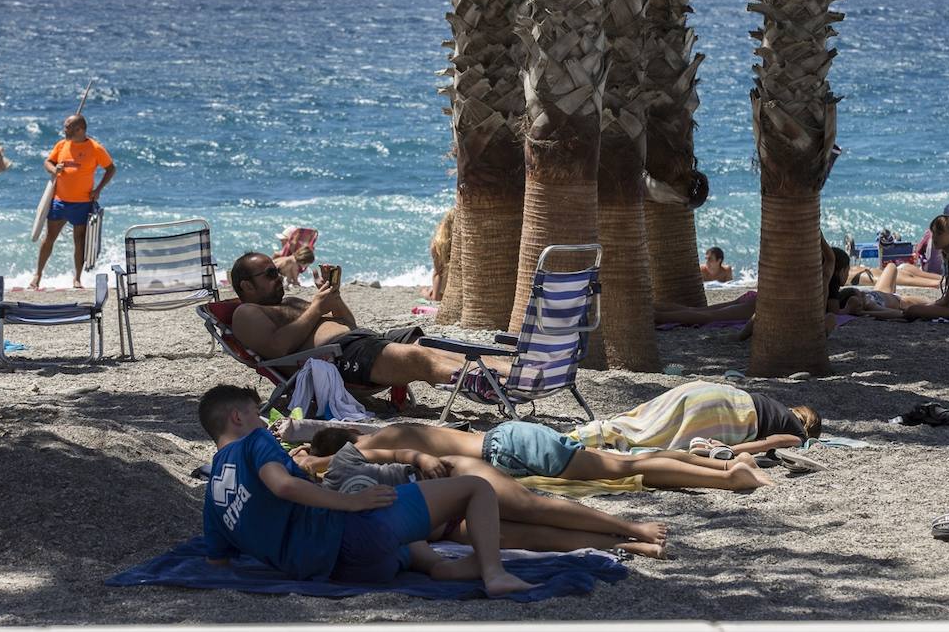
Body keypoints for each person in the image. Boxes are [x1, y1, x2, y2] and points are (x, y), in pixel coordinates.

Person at [197, 384, 534, 593]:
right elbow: (283, 486)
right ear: (237, 418)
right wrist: (349, 502)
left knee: (408, 539)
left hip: (348, 572)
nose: (264, 424)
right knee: (475, 488)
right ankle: (494, 574)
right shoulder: (253, 442)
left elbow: (218, 566)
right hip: (352, 534)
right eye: (257, 414)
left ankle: (440, 567)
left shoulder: (213, 497)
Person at [295, 427, 668, 559]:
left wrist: (423, 457)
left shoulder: (343, 460)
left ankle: (631, 525)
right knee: (530, 538)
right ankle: (625, 545)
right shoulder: (322, 512)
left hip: (453, 477)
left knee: (533, 507)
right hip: (436, 524)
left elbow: (395, 453)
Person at [228, 252, 485, 389]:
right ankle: (490, 383)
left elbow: (349, 323)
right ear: (247, 286)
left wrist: (334, 299)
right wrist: (317, 307)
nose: (280, 277)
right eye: (271, 273)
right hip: (340, 359)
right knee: (419, 358)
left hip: (359, 341)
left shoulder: (291, 302)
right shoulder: (247, 312)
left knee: (433, 344)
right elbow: (277, 348)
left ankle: (514, 373)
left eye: (277, 271)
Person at [300, 420, 775, 492]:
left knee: (625, 467)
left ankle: (730, 476)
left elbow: (319, 465)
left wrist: (306, 460)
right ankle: (722, 466)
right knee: (626, 462)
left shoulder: (361, 448)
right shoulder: (380, 429)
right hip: (510, 434)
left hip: (506, 449)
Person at [570, 380, 821, 456]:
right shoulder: (798, 434)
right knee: (656, 438)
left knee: (642, 420)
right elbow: (768, 443)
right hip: (728, 412)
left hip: (708, 390)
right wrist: (730, 449)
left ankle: (584, 434)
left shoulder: (776, 406)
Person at [31, 114, 115, 290]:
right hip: (59, 201)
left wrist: (98, 190)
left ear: (80, 130)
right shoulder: (62, 145)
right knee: (49, 238)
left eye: (68, 127)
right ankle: (37, 276)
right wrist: (54, 169)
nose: (64, 129)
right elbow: (47, 162)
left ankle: (77, 278)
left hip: (82, 203)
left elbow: (110, 168)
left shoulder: (95, 148)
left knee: (79, 240)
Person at [852, 214, 949, 323]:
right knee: (914, 306)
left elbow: (948, 301)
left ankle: (865, 313)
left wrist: (929, 307)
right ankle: (871, 312)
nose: (934, 237)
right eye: (933, 233)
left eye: (939, 233)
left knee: (913, 311)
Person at [421, 209, 454, 302]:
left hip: (444, 290)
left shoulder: (438, 244)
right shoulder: (465, 244)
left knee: (426, 292)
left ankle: (427, 292)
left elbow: (437, 273)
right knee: (428, 291)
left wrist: (434, 297)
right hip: (459, 288)